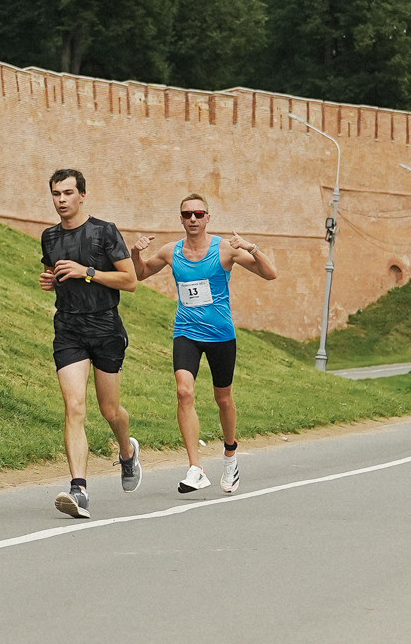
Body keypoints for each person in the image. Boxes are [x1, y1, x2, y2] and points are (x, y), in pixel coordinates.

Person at [130, 194, 278, 493]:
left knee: (223, 399)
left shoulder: (224, 250)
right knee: (184, 392)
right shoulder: (172, 251)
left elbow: (270, 273)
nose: (193, 219)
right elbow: (141, 274)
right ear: (181, 219)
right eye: (187, 214)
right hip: (186, 331)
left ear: (208, 217)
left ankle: (230, 455)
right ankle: (196, 468)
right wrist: (135, 253)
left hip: (222, 334)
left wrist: (252, 248)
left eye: (199, 213)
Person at [39, 168, 140, 519]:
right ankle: (78, 489)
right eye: (56, 194)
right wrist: (53, 280)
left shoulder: (104, 231)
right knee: (75, 407)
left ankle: (127, 452)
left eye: (68, 193)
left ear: (82, 195)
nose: (62, 200)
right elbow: (58, 272)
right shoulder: (49, 237)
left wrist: (87, 271)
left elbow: (130, 281)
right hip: (69, 329)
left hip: (106, 328)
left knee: (111, 411)